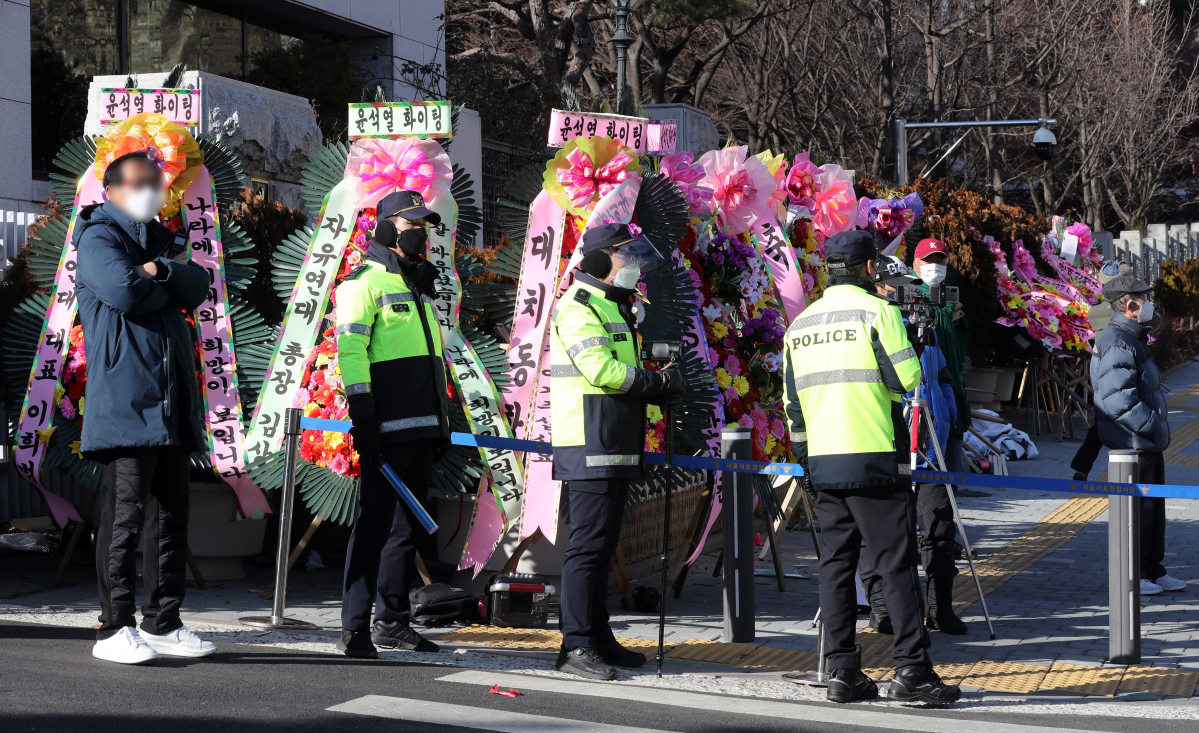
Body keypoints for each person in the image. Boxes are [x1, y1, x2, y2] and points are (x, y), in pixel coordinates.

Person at [783, 230, 961, 705]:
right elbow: (906, 378)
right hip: (875, 456)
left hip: (823, 461)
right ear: (868, 269)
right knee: (895, 565)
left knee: (836, 567)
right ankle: (913, 672)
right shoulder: (879, 311)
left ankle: (842, 673)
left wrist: (807, 460)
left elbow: (791, 407)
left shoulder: (799, 325)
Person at [76, 151, 213, 664]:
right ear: (112, 188)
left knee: (171, 516)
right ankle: (114, 628)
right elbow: (125, 293)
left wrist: (159, 270)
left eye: (158, 183)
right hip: (127, 401)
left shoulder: (157, 240)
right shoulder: (98, 237)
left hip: (170, 400)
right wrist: (163, 282)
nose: (153, 190)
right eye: (142, 182)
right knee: (126, 517)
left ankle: (163, 622)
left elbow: (198, 285)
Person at [549, 223, 684, 680]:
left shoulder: (615, 307)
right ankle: (575, 647)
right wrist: (654, 383)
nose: (634, 265)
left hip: (614, 437)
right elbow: (601, 371)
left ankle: (598, 637)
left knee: (604, 546)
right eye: (627, 257)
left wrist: (656, 381)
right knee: (586, 548)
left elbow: (622, 370)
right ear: (601, 260)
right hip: (589, 439)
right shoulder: (578, 307)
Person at [336, 190, 453, 658]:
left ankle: (392, 621)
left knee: (408, 530)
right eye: (410, 223)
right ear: (385, 226)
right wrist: (363, 416)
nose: (419, 231)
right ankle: (354, 628)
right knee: (374, 526)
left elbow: (431, 360)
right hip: (385, 427)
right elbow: (351, 353)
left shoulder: (417, 286)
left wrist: (441, 426)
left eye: (424, 224)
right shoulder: (361, 284)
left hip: (422, 426)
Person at [862, 238, 969, 636]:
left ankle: (940, 607)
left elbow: (942, 377)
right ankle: (882, 607)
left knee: (940, 522)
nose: (908, 296)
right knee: (884, 529)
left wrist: (950, 417)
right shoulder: (872, 325)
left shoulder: (929, 331)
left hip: (932, 441)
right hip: (886, 441)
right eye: (901, 288)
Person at [1090, 275, 1183, 595]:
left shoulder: (1132, 336)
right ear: (1129, 304)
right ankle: (1133, 575)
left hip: (1145, 442)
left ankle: (1152, 570)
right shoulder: (1116, 340)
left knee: (1152, 513)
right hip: (1132, 442)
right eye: (1144, 298)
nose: (1149, 304)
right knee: (1136, 513)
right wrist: (1151, 424)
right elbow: (1118, 399)